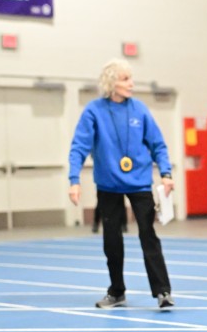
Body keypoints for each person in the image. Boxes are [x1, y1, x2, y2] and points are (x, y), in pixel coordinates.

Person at [68, 59, 175, 310]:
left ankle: (162, 291)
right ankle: (116, 292)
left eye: (131, 78)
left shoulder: (139, 109)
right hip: (108, 185)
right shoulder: (93, 111)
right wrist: (74, 180)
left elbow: (158, 144)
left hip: (140, 183)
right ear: (111, 83)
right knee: (112, 240)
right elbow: (79, 147)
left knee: (148, 235)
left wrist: (166, 173)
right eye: (125, 79)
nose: (131, 84)